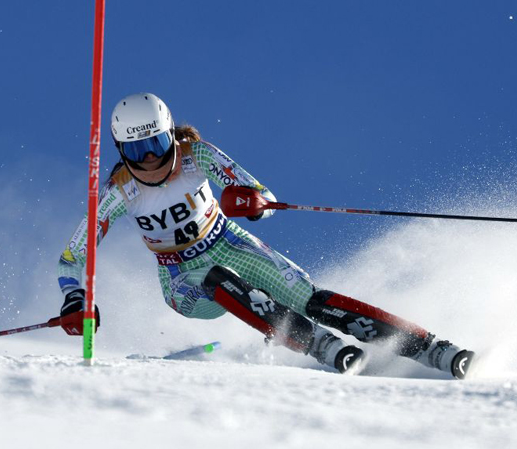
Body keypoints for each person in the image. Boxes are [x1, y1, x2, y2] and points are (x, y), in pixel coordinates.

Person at [58, 92, 475, 378]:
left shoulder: (196, 156)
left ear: (171, 135)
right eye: (135, 151)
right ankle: (321, 346)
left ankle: (430, 347)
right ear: (119, 150)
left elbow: (262, 194)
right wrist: (75, 299)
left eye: (157, 144)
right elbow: (73, 257)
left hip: (228, 240)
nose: (148, 160)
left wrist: (252, 202)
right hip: (181, 277)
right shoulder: (119, 192)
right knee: (214, 278)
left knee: (309, 297)